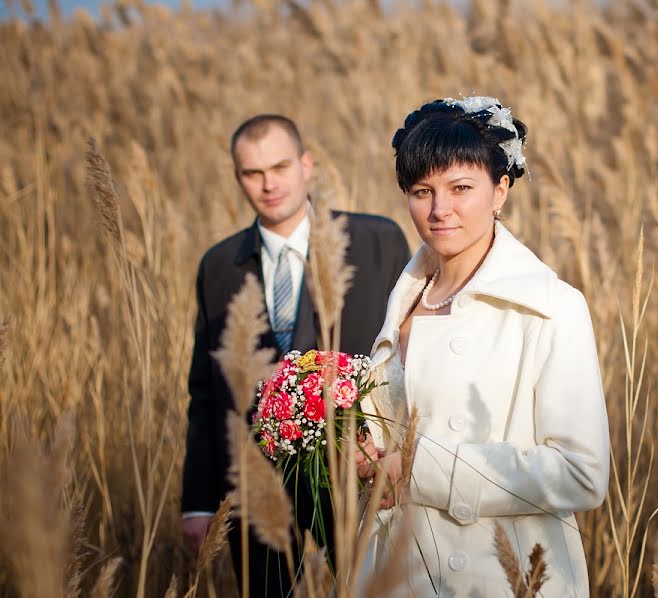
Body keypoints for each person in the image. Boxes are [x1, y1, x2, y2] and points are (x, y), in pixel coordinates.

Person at [357, 97, 610, 597]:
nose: (439, 209)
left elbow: (582, 474)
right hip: (397, 573)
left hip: (498, 576)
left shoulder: (548, 306)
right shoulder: (402, 302)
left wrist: (417, 467)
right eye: (422, 191)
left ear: (500, 190)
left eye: (461, 188)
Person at [181, 114, 410, 597]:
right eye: (252, 173)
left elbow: (408, 354)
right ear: (238, 177)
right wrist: (198, 501)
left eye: (280, 166)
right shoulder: (219, 265)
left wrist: (399, 454)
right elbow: (205, 392)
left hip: (358, 475)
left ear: (306, 165)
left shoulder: (377, 241)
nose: (269, 184)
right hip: (256, 482)